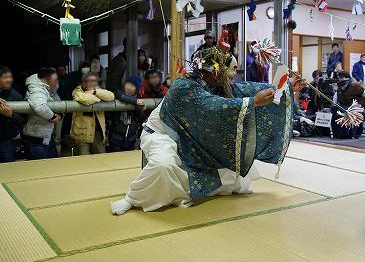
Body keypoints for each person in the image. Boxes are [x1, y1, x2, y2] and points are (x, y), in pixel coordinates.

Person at [111, 47, 294, 215]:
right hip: (164, 134)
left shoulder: (218, 84)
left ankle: (184, 190)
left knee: (232, 171)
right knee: (163, 165)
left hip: (192, 137)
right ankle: (132, 197)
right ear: (215, 71)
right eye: (230, 69)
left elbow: (246, 88)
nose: (233, 75)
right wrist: (252, 102)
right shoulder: (184, 86)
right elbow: (210, 105)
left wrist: (284, 87)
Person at [71, 73, 115, 155]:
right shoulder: (77, 91)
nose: (93, 83)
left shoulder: (97, 91)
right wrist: (99, 98)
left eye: (95, 81)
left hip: (98, 133)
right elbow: (85, 99)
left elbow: (111, 96)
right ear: (83, 83)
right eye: (90, 81)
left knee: (101, 159)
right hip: (82, 134)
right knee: (84, 161)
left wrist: (94, 92)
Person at [23, 68, 62, 160]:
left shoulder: (50, 88)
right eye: (55, 80)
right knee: (39, 170)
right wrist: (52, 116)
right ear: (46, 80)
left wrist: (60, 115)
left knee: (53, 166)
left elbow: (59, 103)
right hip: (36, 138)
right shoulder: (37, 89)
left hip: (46, 136)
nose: (57, 82)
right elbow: (39, 106)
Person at [331, 71, 365, 139]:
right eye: (338, 77)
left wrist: (361, 106)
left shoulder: (356, 86)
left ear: (346, 78)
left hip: (356, 109)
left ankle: (349, 133)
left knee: (343, 110)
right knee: (335, 109)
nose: (339, 79)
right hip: (344, 107)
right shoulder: (340, 87)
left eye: (341, 77)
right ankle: (339, 134)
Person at [108, 76, 144, 152]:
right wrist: (135, 102)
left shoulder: (139, 98)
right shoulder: (118, 93)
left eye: (132, 86)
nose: (128, 87)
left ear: (136, 89)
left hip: (131, 136)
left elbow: (140, 116)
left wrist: (139, 107)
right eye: (127, 84)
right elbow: (122, 97)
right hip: (116, 136)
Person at [0, 66, 25, 162]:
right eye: (5, 77)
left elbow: (22, 120)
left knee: (7, 168)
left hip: (5, 140)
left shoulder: (16, 96)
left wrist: (9, 115)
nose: (9, 80)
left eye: (10, 77)